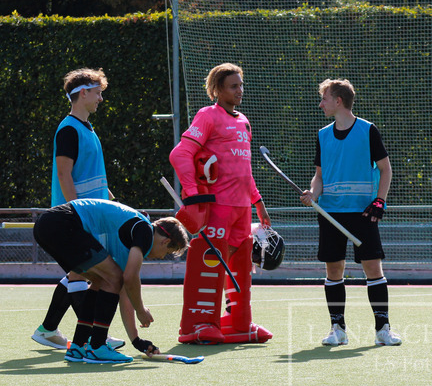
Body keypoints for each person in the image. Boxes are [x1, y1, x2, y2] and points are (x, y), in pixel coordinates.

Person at [169, 63, 273, 345]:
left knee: (240, 265)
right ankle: (198, 324)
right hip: (216, 207)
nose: (240, 90)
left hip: (242, 210)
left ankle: (238, 323)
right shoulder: (208, 115)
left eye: (241, 85)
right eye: (233, 86)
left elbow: (245, 169)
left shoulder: (243, 121)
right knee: (210, 262)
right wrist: (193, 194)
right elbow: (180, 154)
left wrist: (259, 203)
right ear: (217, 90)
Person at [300, 79, 400, 347]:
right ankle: (338, 329)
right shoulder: (323, 135)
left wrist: (380, 201)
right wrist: (314, 193)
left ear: (338, 101)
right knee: (333, 269)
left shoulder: (368, 130)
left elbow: (385, 169)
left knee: (372, 268)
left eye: (324, 98)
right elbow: (319, 177)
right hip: (331, 213)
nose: (321, 103)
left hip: (363, 213)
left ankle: (383, 329)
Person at [31, 68, 124, 351]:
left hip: (88, 215)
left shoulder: (87, 129)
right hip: (76, 217)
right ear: (82, 93)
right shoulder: (69, 128)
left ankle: (48, 329)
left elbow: (91, 173)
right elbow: (64, 174)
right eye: (97, 93)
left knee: (79, 274)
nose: (100, 99)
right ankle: (97, 335)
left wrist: (110, 200)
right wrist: (77, 213)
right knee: (90, 275)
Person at [32, 199, 189, 364]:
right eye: (167, 251)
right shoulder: (145, 230)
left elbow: (124, 291)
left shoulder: (131, 239)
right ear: (165, 241)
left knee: (102, 280)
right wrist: (141, 309)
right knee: (113, 277)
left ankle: (78, 346)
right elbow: (129, 278)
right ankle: (98, 346)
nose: (162, 256)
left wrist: (136, 341)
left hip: (48, 225)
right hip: (62, 222)